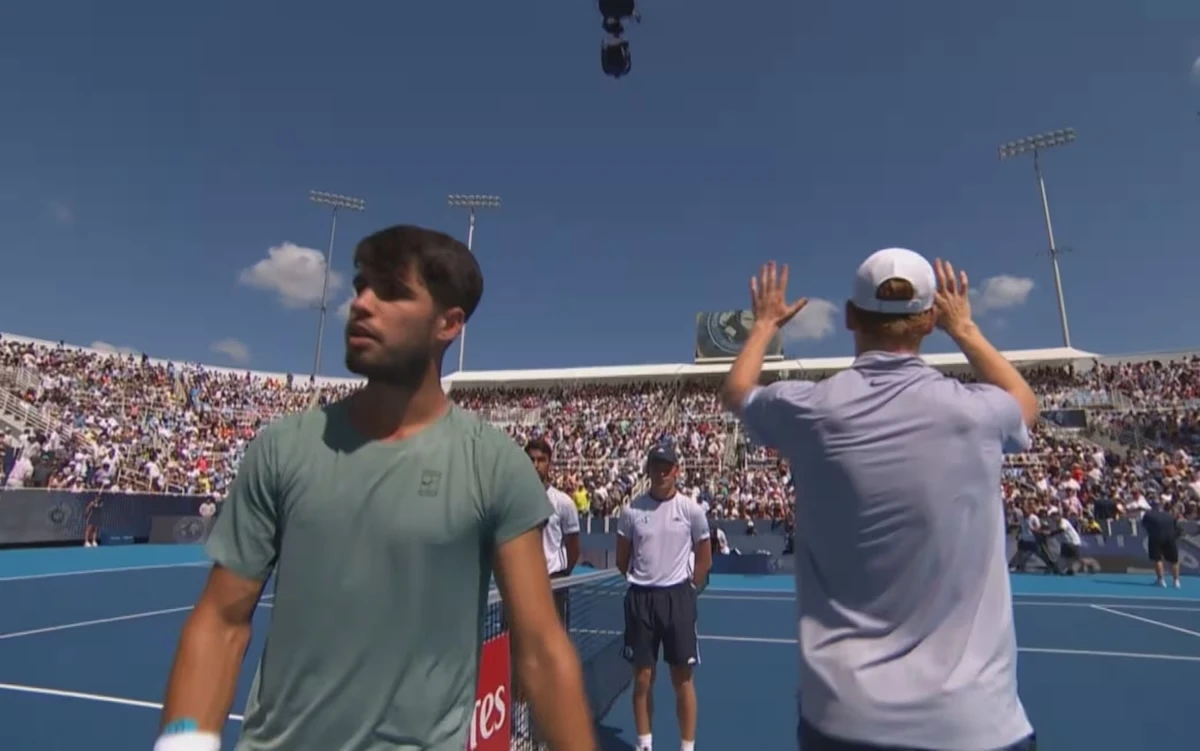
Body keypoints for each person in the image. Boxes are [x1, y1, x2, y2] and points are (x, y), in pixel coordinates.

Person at [156, 225, 596, 751]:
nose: (361, 304)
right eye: (361, 286)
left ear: (448, 323)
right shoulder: (282, 448)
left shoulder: (495, 465)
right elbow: (221, 622)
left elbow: (542, 649)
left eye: (391, 292)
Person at [721, 252, 1038, 751]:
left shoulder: (808, 408)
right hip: (977, 724)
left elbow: (738, 389)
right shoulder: (982, 413)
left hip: (845, 720)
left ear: (849, 317)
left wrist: (763, 325)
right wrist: (966, 329)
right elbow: (1024, 400)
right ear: (930, 320)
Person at [615, 444, 712, 751]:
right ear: (649, 469)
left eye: (666, 467)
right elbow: (622, 561)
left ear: (676, 471)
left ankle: (687, 747)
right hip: (641, 600)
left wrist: (688, 591)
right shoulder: (631, 512)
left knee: (682, 677)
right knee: (643, 678)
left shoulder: (691, 511)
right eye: (655, 466)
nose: (660, 472)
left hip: (678, 600)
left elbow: (704, 560)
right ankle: (645, 745)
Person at [525, 438, 582, 582]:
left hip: (553, 580)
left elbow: (573, 547)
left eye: (541, 460)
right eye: (531, 460)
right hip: (523, 580)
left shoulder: (563, 502)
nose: (535, 465)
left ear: (549, 463)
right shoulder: (513, 502)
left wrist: (563, 576)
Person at [1141, 502, 1183, 588]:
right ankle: (1176, 581)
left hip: (1156, 538)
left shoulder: (1149, 515)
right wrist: (1173, 536)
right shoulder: (1169, 515)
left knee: (1157, 559)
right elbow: (1177, 528)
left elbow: (1144, 525)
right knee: (1174, 560)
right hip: (1170, 539)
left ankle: (1161, 580)